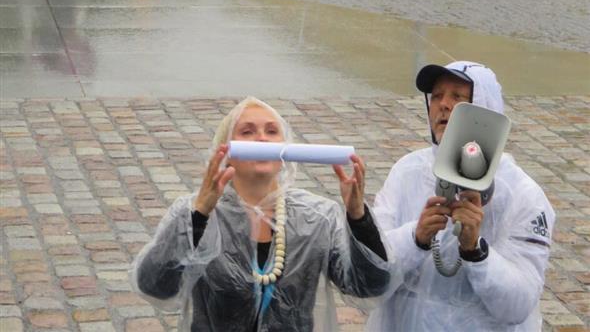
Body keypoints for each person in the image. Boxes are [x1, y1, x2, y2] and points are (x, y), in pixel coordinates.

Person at [132, 96, 391, 331]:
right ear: (226, 152)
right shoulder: (199, 213)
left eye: (271, 131)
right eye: (247, 132)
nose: (262, 139)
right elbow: (155, 286)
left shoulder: (316, 218)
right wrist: (199, 214)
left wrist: (358, 218)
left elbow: (369, 286)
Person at [368, 61, 554, 332]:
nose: (443, 104)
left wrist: (475, 252)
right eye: (436, 96)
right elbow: (370, 275)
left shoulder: (523, 195)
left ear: (484, 110)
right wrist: (416, 239)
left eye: (458, 97)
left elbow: (517, 304)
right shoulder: (406, 173)